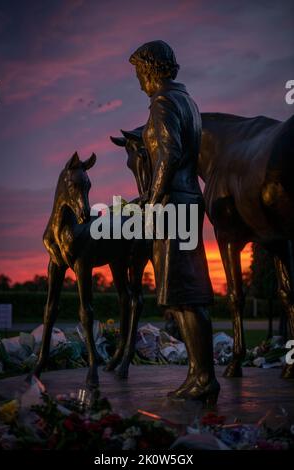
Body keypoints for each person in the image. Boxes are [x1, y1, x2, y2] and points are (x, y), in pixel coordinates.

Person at [129, 40, 220, 403]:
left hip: (174, 204)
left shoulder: (164, 102)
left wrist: (151, 200)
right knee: (183, 295)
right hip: (184, 200)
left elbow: (169, 153)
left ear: (152, 69)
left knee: (188, 294)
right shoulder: (188, 102)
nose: (138, 81)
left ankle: (205, 378)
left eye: (139, 72)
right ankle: (198, 375)